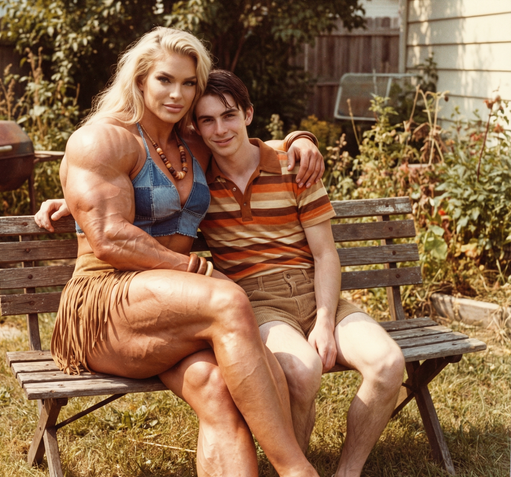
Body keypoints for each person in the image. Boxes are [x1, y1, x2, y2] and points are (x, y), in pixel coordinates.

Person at [39, 68, 407, 476]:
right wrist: (78, 200)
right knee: (257, 329)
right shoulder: (154, 153)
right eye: (165, 81)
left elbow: (251, 152)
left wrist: (301, 140)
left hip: (208, 303)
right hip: (153, 302)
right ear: (140, 82)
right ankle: (295, 468)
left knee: (219, 388)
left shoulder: (209, 155)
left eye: (188, 83)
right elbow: (110, 192)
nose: (178, 94)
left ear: (246, 114)